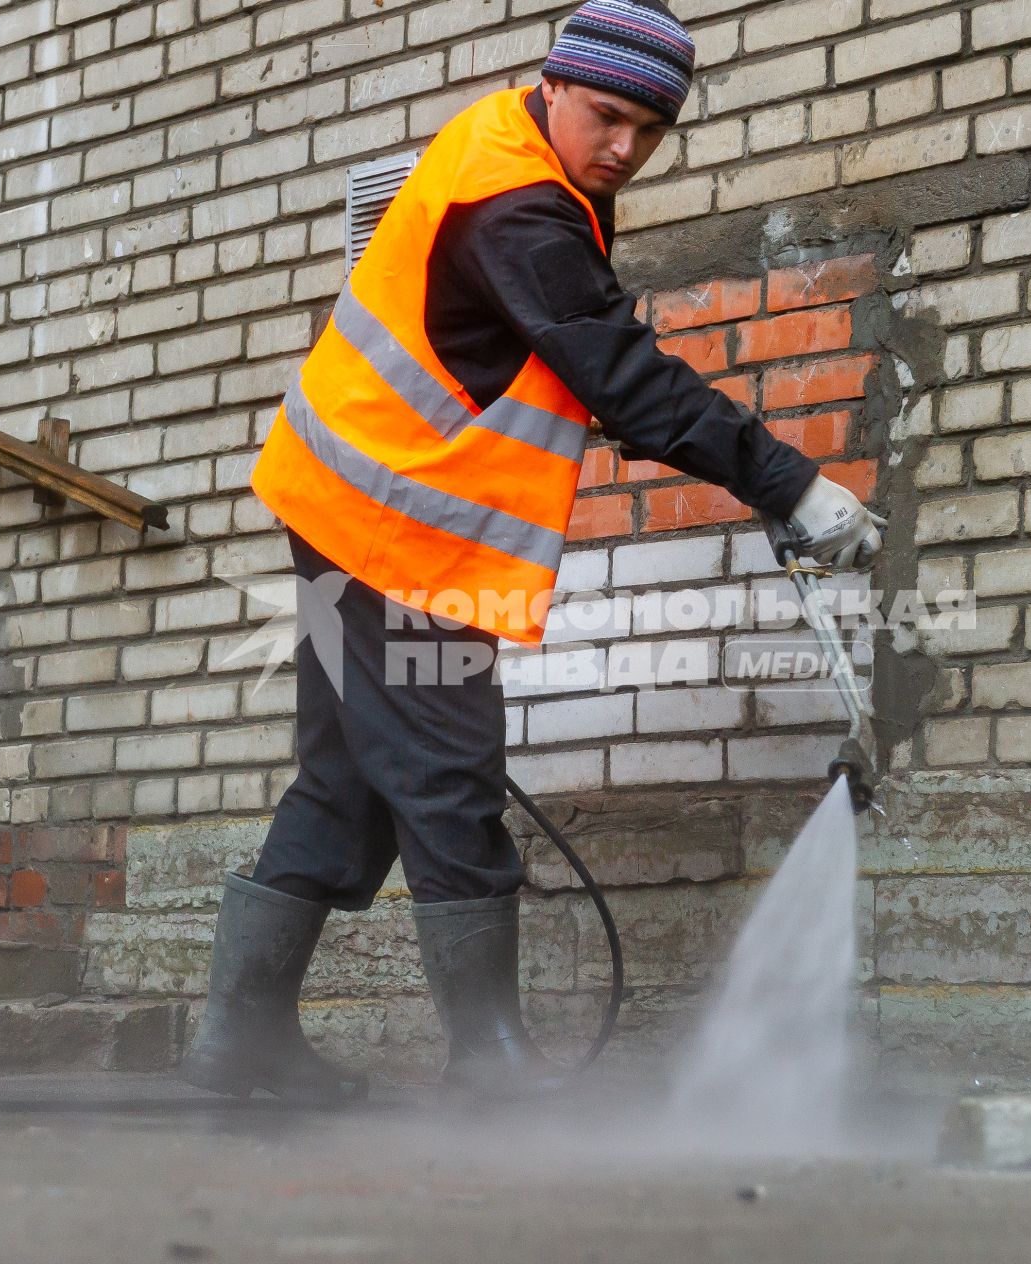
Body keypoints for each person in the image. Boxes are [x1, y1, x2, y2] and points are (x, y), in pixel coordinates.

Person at [180, 0, 887, 1103]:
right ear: (554, 82)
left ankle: (242, 1044)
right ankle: (486, 1064)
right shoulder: (520, 207)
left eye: (651, 132)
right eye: (608, 117)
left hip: (341, 498)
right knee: (449, 767)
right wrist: (789, 482)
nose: (624, 149)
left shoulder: (513, 151)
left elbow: (539, 351)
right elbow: (617, 371)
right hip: (387, 526)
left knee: (349, 777)